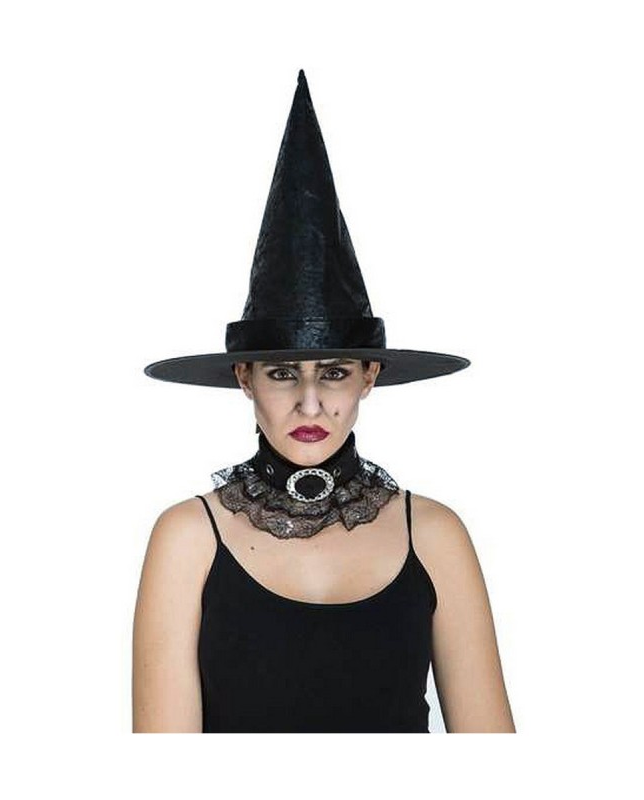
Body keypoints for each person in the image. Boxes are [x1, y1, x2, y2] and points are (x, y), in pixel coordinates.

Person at [132, 70, 516, 733]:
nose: (310, 404)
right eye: (283, 374)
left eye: (333, 373)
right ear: (244, 378)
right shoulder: (188, 540)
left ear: (368, 377)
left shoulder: (435, 536)